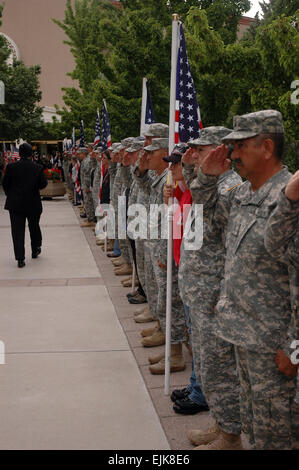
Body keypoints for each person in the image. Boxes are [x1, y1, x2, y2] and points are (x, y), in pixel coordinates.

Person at [194, 110, 297, 449]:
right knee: (253, 428)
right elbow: (206, 222)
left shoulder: (289, 202)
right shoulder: (241, 195)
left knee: (277, 436)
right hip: (242, 334)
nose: (234, 154)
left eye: (240, 146)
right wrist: (206, 177)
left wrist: (295, 350)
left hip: (274, 346)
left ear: (266, 147)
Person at [2, 142, 48, 268]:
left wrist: (10, 194)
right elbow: (43, 184)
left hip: (15, 204)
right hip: (33, 203)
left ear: (20, 154)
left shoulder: (11, 167)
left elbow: (5, 183)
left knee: (17, 232)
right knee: (34, 227)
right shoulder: (37, 167)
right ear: (31, 154)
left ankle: (20, 258)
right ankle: (35, 248)